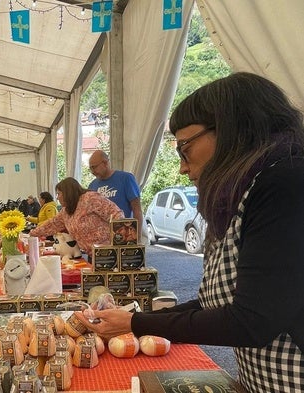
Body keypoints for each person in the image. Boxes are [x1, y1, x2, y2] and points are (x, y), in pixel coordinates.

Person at [75, 72, 304, 393]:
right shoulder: (242, 193)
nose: (182, 166)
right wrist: (134, 316)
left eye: (185, 147)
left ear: (229, 130)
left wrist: (135, 322)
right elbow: (219, 301)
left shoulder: (283, 186)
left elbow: (253, 319)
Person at [29, 177, 124, 257]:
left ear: (67, 192)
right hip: (92, 256)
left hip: (110, 255)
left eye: (59, 193)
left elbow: (116, 213)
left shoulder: (90, 198)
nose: (57, 197)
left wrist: (120, 240)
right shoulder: (66, 211)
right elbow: (51, 224)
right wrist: (32, 233)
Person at [88, 150, 144, 236]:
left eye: (94, 167)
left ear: (105, 163)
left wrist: (137, 237)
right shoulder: (92, 185)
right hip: (101, 238)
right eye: (90, 168)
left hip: (123, 235)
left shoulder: (126, 179)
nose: (92, 171)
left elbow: (137, 210)